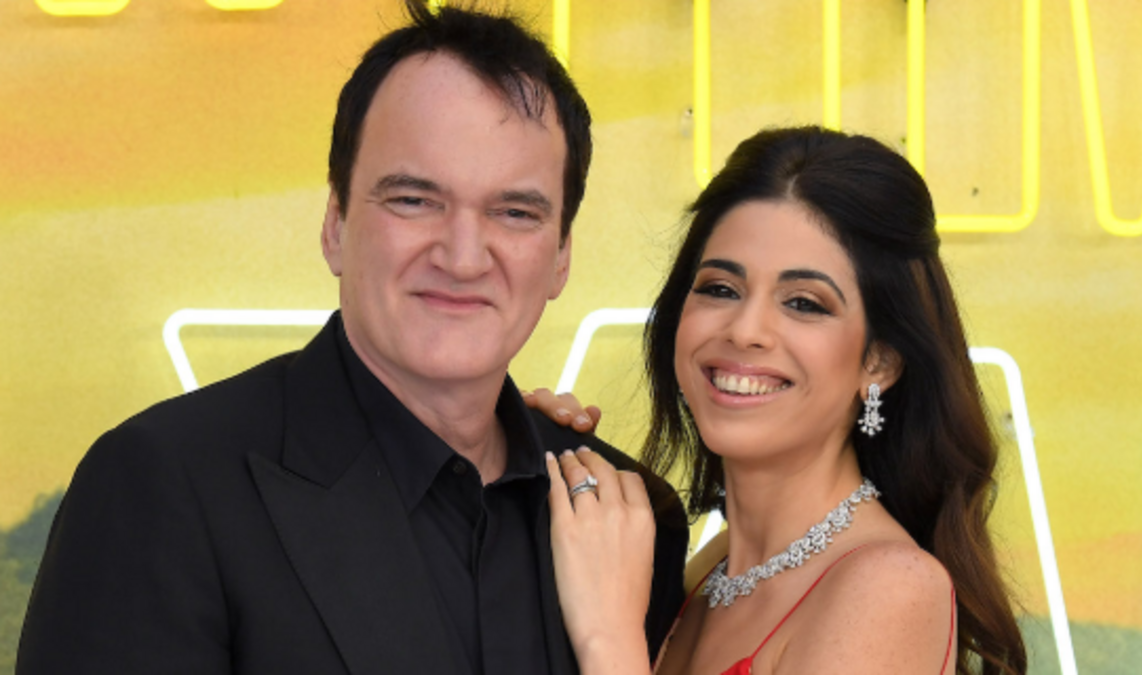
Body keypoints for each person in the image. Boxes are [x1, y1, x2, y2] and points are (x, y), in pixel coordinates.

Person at [16, 2, 688, 673]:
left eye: (514, 212)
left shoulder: (630, 515)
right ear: (335, 223)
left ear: (562, 254)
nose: (463, 257)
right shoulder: (163, 487)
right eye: (413, 200)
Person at [532, 126, 1027, 674]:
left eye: (804, 303)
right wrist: (522, 445)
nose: (746, 330)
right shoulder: (711, 571)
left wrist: (607, 636)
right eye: (720, 289)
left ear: (880, 361)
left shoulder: (891, 586)